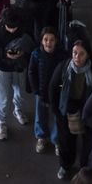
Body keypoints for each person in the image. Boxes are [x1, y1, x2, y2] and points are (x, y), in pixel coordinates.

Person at [50, 38, 92, 180]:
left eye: (81, 54)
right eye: (74, 53)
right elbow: (53, 88)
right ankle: (65, 165)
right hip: (67, 109)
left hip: (88, 111)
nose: (77, 57)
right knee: (66, 140)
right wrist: (57, 111)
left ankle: (83, 168)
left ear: (88, 55)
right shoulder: (64, 68)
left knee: (88, 142)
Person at [0, 6, 34, 140]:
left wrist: (23, 54)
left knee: (20, 91)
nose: (12, 30)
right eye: (9, 27)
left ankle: (18, 110)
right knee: (2, 96)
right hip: (3, 68)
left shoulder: (24, 29)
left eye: (15, 27)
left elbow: (31, 45)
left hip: (19, 67)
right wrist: (5, 55)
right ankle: (1, 121)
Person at [27, 26, 65, 156]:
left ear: (56, 41)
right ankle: (41, 137)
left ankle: (56, 140)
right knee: (40, 115)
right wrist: (36, 90)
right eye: (46, 39)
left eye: (51, 40)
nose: (48, 42)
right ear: (41, 40)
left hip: (57, 92)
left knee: (57, 117)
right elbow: (31, 72)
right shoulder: (36, 54)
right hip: (41, 91)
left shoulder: (62, 55)